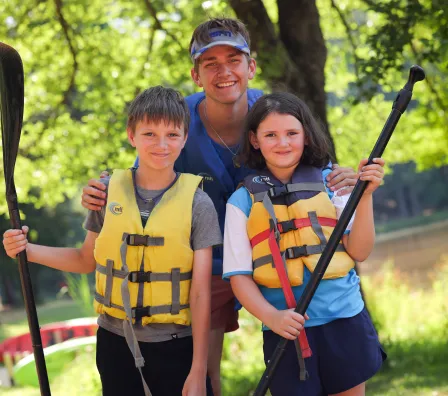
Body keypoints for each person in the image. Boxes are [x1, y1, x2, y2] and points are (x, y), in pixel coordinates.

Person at [80, 18, 359, 396]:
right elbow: (139, 177)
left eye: (233, 59)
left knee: (302, 363)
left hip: (274, 257)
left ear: (251, 67)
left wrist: (340, 177)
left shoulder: (275, 113)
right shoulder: (179, 119)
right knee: (204, 375)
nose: (223, 71)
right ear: (195, 74)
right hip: (204, 268)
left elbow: (311, 163)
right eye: (210, 63)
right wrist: (100, 191)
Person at [3, 86, 221, 396]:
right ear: (132, 136)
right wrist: (26, 250)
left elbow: (200, 294)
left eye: (172, 135)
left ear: (185, 138)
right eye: (149, 134)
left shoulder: (199, 205)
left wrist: (199, 369)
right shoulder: (106, 195)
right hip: (114, 343)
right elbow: (84, 259)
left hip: (176, 346)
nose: (161, 144)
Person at [223, 92, 387, 396]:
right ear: (255, 140)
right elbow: (239, 278)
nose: (282, 143)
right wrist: (272, 317)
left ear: (307, 136)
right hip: (284, 330)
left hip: (344, 321)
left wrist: (364, 196)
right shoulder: (240, 203)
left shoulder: (334, 184)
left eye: (291, 133)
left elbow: (360, 251)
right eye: (270, 135)